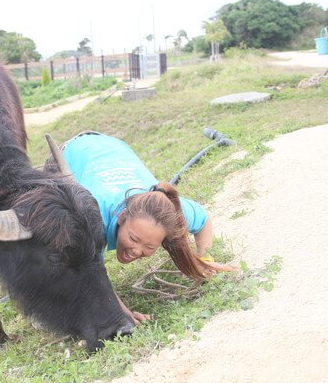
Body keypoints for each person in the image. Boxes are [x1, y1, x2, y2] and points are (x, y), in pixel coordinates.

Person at [57, 131, 233, 324]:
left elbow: (204, 220)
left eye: (150, 247)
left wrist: (204, 258)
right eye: (133, 238)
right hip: (70, 154)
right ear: (121, 217)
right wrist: (122, 313)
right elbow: (91, 274)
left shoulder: (167, 212)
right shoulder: (94, 218)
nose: (136, 250)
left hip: (114, 145)